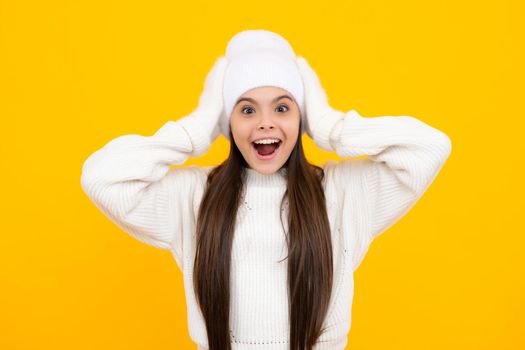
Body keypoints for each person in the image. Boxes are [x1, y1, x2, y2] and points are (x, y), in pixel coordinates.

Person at [80, 29, 452, 350]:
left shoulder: (342, 194)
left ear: (301, 117)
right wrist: (194, 130)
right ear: (226, 121)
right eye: (246, 110)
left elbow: (430, 147)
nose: (265, 124)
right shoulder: (193, 197)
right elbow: (100, 177)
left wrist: (331, 126)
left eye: (282, 107)